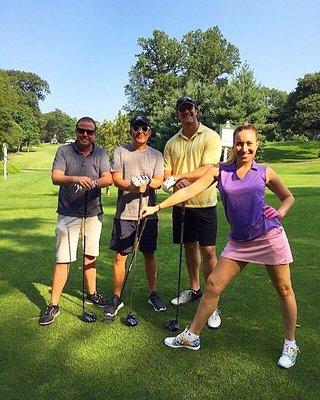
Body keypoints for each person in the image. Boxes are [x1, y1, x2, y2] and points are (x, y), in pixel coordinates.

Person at [142, 123, 299, 368]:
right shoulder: (220, 171)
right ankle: (192, 336)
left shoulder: (265, 171)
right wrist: (158, 207)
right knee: (213, 284)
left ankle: (290, 343)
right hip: (239, 241)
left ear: (257, 145)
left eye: (249, 143)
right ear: (233, 146)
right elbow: (190, 191)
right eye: (240, 143)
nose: (244, 148)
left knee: (284, 290)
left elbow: (288, 197)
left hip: (269, 237)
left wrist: (279, 212)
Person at [39, 117, 113, 325]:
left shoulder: (100, 153)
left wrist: (94, 182)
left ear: (94, 135)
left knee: (91, 256)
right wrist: (76, 179)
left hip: (93, 213)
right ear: (76, 132)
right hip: (68, 213)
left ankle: (92, 293)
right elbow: (56, 177)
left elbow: (108, 178)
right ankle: (53, 304)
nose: (85, 135)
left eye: (89, 132)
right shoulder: (64, 151)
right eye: (81, 131)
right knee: (63, 258)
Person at [162, 96, 222, 328]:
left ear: (196, 111)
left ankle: (213, 302)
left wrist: (180, 177)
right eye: (182, 110)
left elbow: (209, 168)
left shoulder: (210, 136)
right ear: (178, 114)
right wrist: (175, 183)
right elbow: (167, 174)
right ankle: (195, 289)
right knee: (188, 247)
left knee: (208, 250)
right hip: (181, 204)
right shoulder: (171, 143)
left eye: (190, 109)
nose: (186, 113)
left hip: (205, 203)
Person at [104, 116, 166, 318]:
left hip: (148, 213)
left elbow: (159, 179)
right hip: (125, 213)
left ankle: (153, 293)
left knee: (149, 254)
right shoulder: (121, 151)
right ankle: (116, 297)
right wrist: (131, 187)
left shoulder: (156, 155)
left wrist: (148, 185)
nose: (140, 131)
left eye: (144, 128)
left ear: (149, 132)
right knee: (121, 255)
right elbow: (116, 179)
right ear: (131, 131)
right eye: (136, 128)